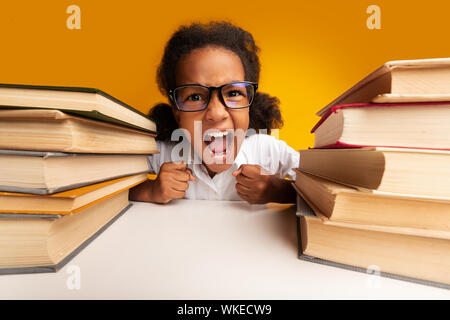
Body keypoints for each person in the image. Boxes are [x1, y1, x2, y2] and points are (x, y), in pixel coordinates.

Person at [129, 21, 299, 204]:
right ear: (177, 112)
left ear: (249, 106)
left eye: (233, 93)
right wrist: (151, 191)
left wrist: (279, 191)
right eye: (195, 97)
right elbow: (109, 190)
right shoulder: (162, 154)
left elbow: (327, 191)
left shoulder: (267, 150)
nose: (217, 113)